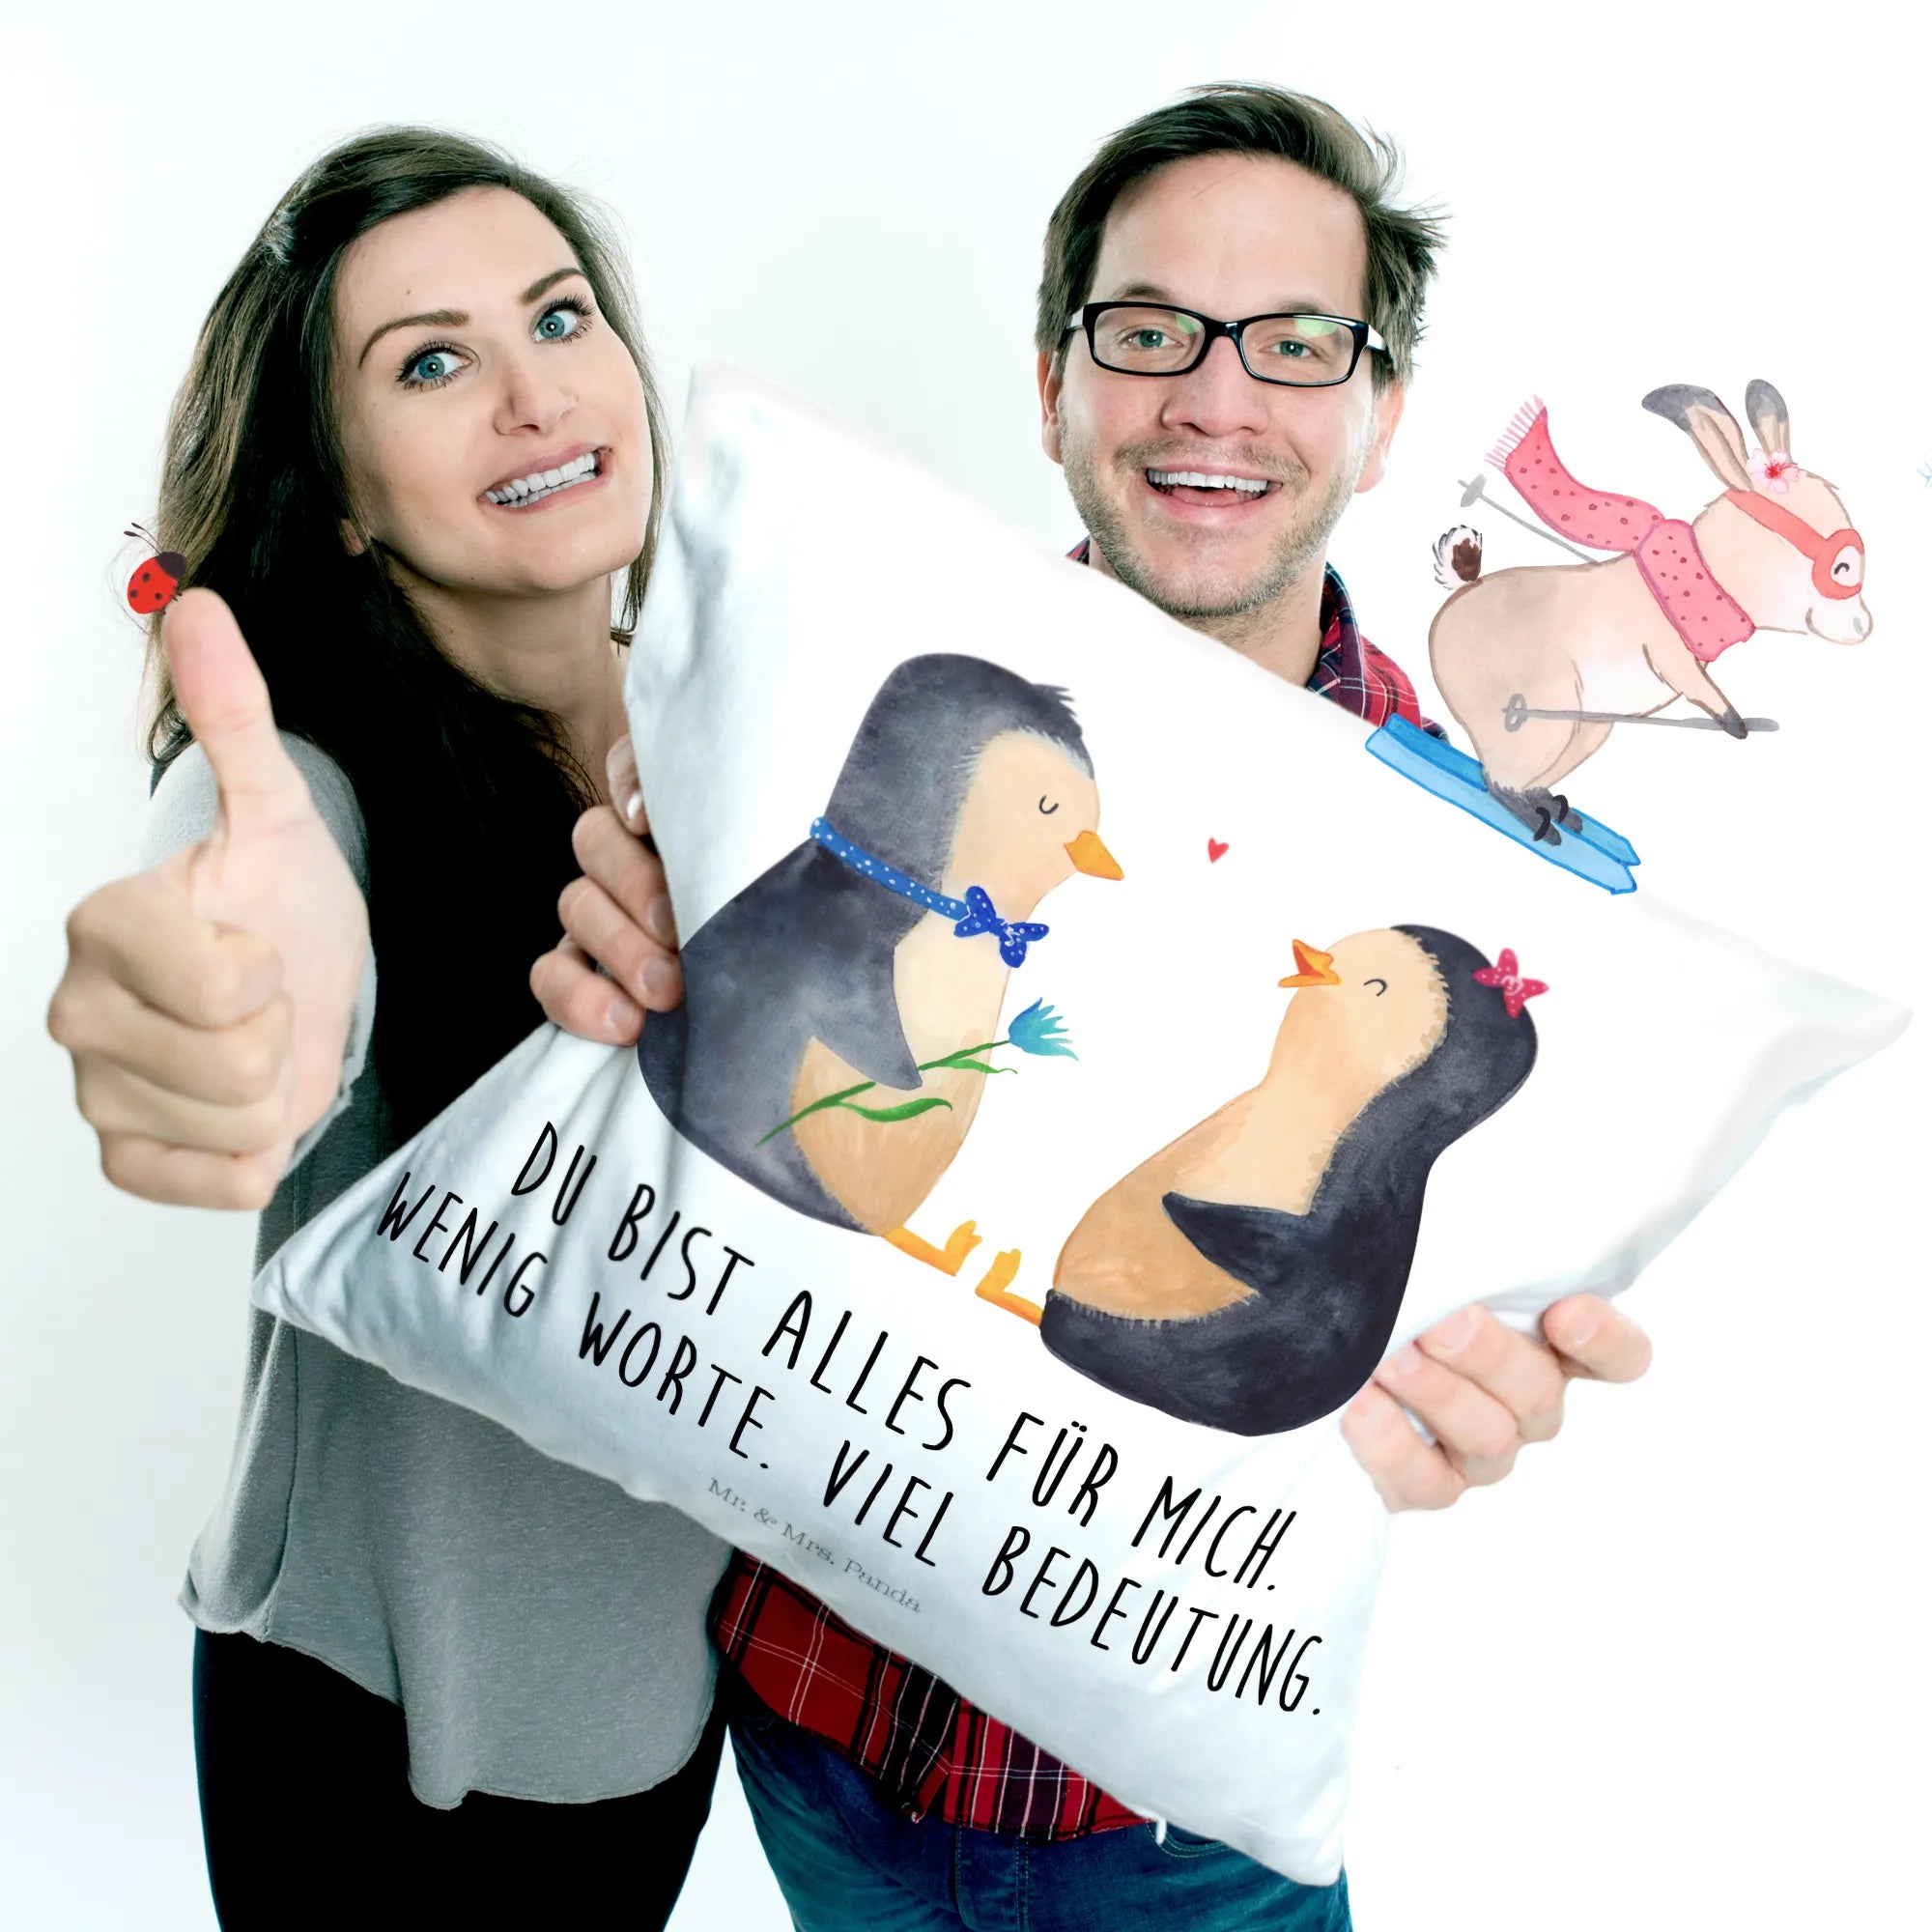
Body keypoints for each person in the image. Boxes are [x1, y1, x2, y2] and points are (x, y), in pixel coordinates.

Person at [533, 84, 1654, 1928]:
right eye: (1150, 333)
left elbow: (1402, 1317)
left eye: (1296, 343)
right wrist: (631, 982)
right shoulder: (830, 699)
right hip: (809, 1743)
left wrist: (1469, 1388)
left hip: (1181, 1835)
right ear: (1054, 383)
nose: (1216, 398)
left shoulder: (1476, 884)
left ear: (1380, 419)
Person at [44, 130, 733, 1926]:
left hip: (660, 1707)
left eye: (559, 318)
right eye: (431, 363)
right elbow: (254, 902)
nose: (533, 395)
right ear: (343, 495)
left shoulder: (738, 743)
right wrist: (222, 1005)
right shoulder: (308, 782)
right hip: (377, 1736)